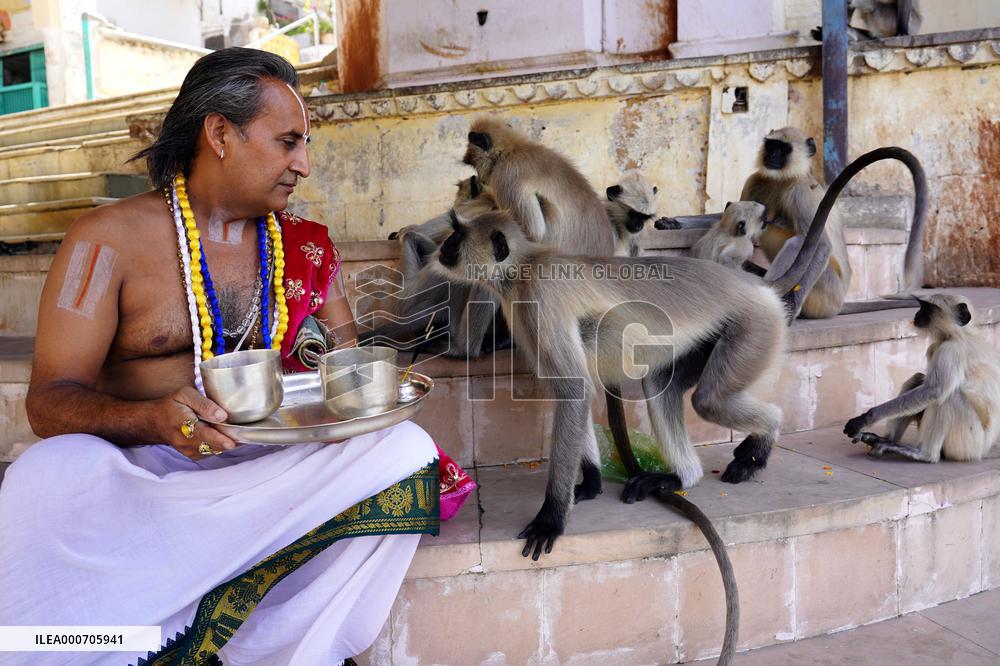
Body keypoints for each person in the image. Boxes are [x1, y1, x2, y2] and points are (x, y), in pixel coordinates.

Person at [0, 48, 439, 665]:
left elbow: (348, 363)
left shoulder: (303, 249)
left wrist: (349, 388)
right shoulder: (103, 242)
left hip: (268, 462)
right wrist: (151, 418)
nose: (304, 166)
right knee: (43, 479)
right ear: (220, 134)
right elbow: (48, 401)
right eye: (288, 142)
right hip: (147, 475)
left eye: (305, 144)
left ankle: (268, 647)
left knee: (405, 453)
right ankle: (115, 645)